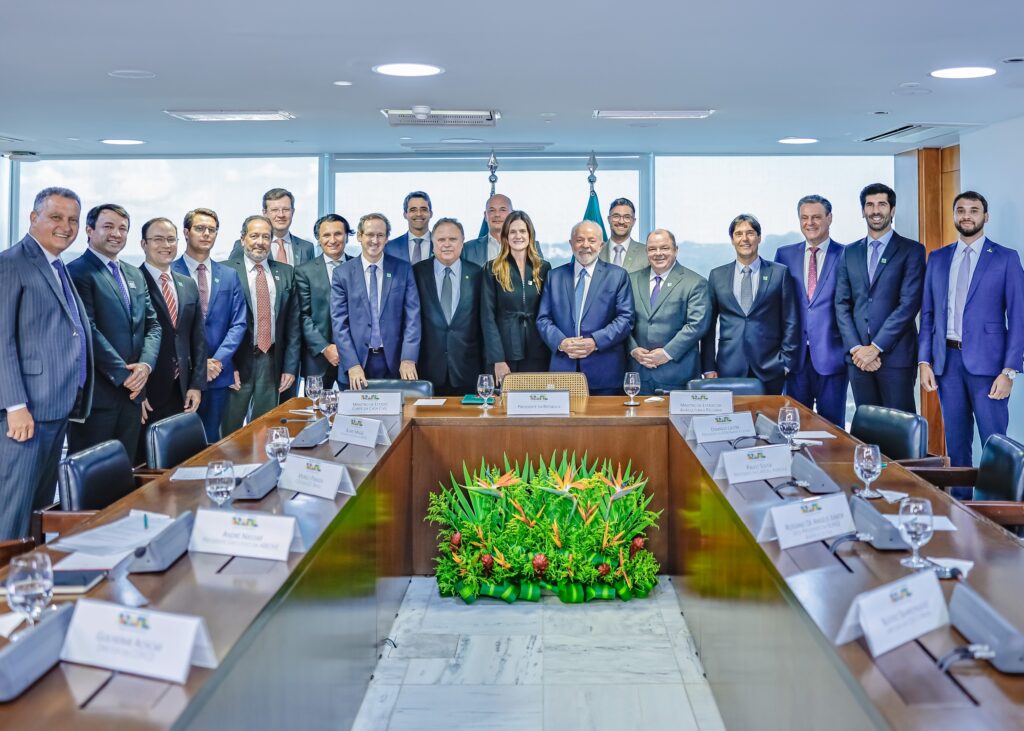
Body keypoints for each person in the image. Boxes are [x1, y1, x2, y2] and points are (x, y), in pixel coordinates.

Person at [0, 188, 94, 539]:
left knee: (38, 510)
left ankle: (29, 578)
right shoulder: (10, 264)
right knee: (12, 511)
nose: (66, 227)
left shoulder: (56, 265)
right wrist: (15, 406)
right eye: (56, 217)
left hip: (56, 406)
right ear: (33, 218)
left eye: (72, 220)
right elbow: (1, 341)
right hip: (26, 412)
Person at [919, 191, 1024, 468]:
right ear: (954, 215)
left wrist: (1009, 371)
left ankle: (998, 507)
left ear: (985, 216)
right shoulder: (938, 258)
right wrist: (924, 361)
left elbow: (1019, 317)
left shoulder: (1005, 258)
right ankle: (961, 505)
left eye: (974, 210)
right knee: (956, 442)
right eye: (961, 210)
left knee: (995, 444)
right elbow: (928, 315)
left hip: (990, 367)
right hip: (947, 363)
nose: (967, 215)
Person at [68, 204, 161, 457]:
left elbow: (152, 325)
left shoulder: (134, 274)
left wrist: (145, 367)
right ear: (89, 230)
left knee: (124, 472)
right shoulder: (76, 272)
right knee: (90, 478)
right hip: (97, 399)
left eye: (123, 229)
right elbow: (88, 330)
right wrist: (125, 376)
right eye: (108, 226)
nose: (116, 234)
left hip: (132, 395)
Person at [835, 183, 925, 412]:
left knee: (899, 429)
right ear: (863, 211)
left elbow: (908, 305)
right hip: (858, 360)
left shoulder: (911, 250)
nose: (876, 210)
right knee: (866, 430)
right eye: (870, 205)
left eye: (882, 204)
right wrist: (857, 349)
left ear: (892, 210)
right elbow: (842, 304)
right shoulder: (850, 251)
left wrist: (875, 348)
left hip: (895, 358)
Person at [700, 214, 799, 395]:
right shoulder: (717, 276)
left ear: (759, 237)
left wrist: (785, 362)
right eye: (738, 234)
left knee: (768, 421)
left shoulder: (780, 273)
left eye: (750, 233)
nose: (744, 239)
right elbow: (709, 326)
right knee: (730, 421)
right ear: (732, 240)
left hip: (771, 366)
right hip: (728, 366)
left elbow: (791, 321)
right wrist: (708, 367)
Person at [172, 208, 248, 443]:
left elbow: (239, 323)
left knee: (212, 440)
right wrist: (199, 365)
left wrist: (217, 361)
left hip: (218, 374)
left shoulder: (228, 275)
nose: (206, 234)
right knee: (177, 444)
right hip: (179, 375)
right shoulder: (170, 271)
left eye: (212, 230)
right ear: (186, 232)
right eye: (200, 228)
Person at [221, 215, 300, 433]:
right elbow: (217, 325)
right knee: (228, 432)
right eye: (254, 236)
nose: (260, 242)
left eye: (266, 237)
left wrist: (290, 367)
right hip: (236, 363)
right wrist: (226, 366)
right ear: (242, 239)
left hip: (271, 361)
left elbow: (293, 326)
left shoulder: (286, 272)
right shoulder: (225, 271)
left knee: (265, 429)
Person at [774, 195, 849, 425]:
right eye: (804, 218)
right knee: (793, 426)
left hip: (832, 356)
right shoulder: (784, 255)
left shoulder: (847, 254)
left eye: (816, 217)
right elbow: (778, 307)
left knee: (833, 428)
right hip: (795, 359)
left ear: (829, 218)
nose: (810, 223)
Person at [536, 220, 634, 395]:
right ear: (571, 244)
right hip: (563, 372)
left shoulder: (618, 276)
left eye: (592, 240)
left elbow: (625, 319)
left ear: (601, 245)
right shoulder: (554, 276)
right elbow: (543, 319)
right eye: (580, 240)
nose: (585, 245)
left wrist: (595, 342)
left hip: (605, 372)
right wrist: (561, 342)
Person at [138, 217, 206, 459]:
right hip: (148, 391)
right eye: (157, 239)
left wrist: (196, 385)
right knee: (146, 460)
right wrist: (138, 392)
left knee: (180, 459)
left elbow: (197, 339)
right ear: (143, 244)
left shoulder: (187, 284)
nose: (165, 245)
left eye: (170, 239)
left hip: (183, 390)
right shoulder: (134, 281)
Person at [331, 213, 421, 389]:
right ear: (359, 236)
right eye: (370, 234)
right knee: (354, 417)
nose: (375, 240)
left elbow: (413, 317)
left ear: (387, 238)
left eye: (380, 235)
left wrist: (408, 357)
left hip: (395, 363)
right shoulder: (342, 273)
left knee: (397, 415)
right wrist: (352, 364)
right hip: (356, 365)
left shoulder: (403, 269)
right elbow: (339, 323)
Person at [629, 229, 710, 394]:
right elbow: (622, 320)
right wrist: (633, 349)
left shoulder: (695, 282)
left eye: (664, 248)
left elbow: (696, 325)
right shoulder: (630, 279)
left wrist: (666, 353)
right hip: (637, 374)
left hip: (677, 375)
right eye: (652, 249)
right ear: (646, 252)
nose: (658, 253)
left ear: (676, 250)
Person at [412, 218, 483, 395]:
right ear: (433, 243)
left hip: (467, 370)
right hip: (427, 371)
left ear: (462, 242)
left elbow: (484, 321)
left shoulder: (477, 273)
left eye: (453, 239)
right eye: (441, 240)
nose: (447, 245)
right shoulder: (417, 273)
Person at [481, 211, 551, 383]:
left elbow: (548, 312)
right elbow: (487, 318)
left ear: (530, 235)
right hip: (504, 352)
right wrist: (498, 359)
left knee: (535, 402)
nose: (518, 236)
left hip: (537, 350)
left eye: (522, 231)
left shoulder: (543, 268)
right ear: (505, 236)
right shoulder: (492, 269)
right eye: (512, 232)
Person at [295, 214, 353, 389]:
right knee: (316, 412)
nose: (333, 240)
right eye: (326, 235)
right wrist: (325, 347)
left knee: (357, 411)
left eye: (338, 234)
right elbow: (302, 316)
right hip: (318, 358)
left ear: (347, 236)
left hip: (354, 357)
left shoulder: (359, 266)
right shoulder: (304, 271)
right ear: (318, 239)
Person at [230, 188, 315, 266]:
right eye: (274, 210)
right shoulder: (244, 245)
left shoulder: (306, 248)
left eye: (286, 210)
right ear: (265, 213)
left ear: (292, 212)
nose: (281, 215)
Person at [462, 193, 513, 267]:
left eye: (502, 210)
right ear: (485, 215)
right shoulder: (467, 249)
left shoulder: (531, 246)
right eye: (492, 210)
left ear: (512, 213)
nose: (497, 215)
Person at [599, 198, 647, 272]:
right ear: (609, 219)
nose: (621, 221)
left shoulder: (646, 252)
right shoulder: (597, 251)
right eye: (616, 216)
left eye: (627, 217)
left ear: (633, 221)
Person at [384, 191, 433, 264]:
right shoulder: (390, 247)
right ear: (405, 214)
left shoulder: (442, 245)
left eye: (423, 209)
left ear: (430, 214)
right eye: (413, 210)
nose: (419, 214)